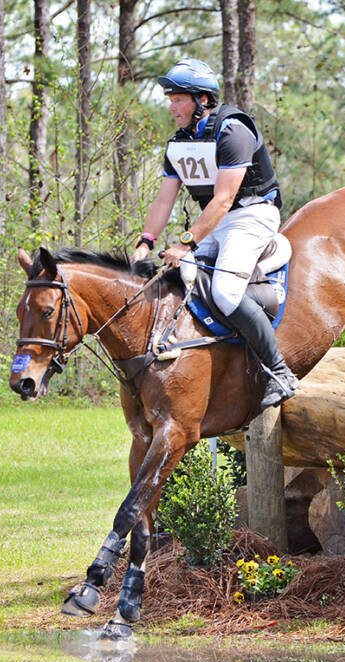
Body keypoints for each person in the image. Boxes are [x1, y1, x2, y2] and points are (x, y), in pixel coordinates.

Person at [130, 57, 298, 410]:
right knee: (176, 279)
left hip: (252, 215)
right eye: (170, 98)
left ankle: (279, 371)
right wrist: (145, 241)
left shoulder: (232, 131)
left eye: (178, 99)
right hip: (216, 221)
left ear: (202, 100)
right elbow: (164, 201)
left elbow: (223, 200)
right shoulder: (178, 143)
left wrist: (184, 243)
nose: (171, 105)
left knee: (223, 291)